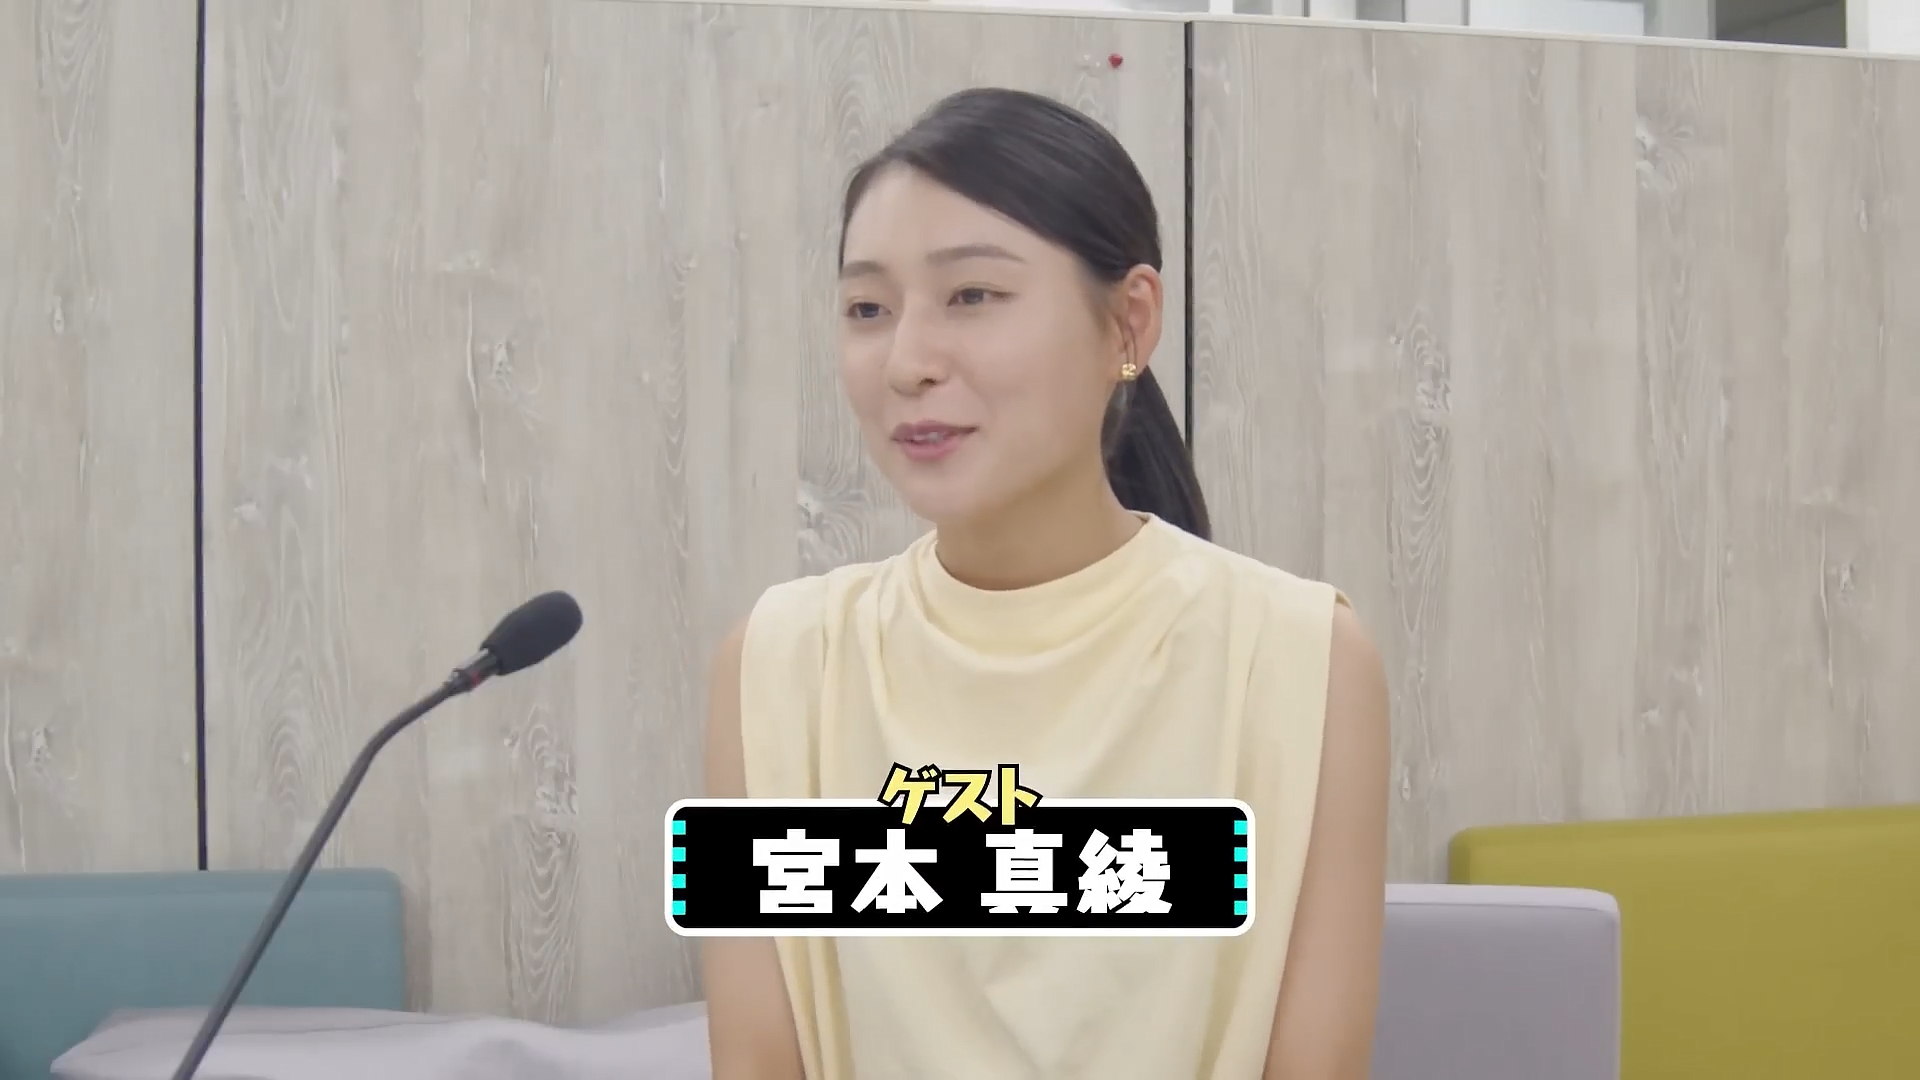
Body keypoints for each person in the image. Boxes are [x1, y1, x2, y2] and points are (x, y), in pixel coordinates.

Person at [701, 87, 1389, 1080]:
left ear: (1128, 323)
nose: (907, 362)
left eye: (973, 296)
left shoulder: (1299, 660)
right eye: (868, 309)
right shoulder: (778, 666)